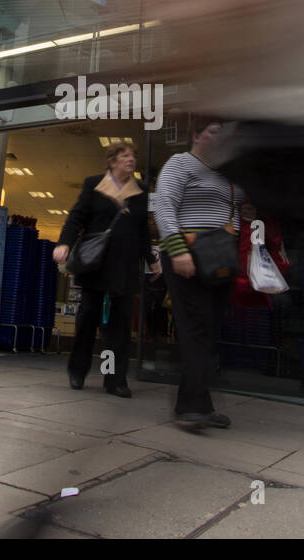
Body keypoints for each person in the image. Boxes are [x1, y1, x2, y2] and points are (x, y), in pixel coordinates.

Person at [153, 119, 244, 429]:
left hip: (218, 258)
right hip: (187, 253)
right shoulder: (181, 163)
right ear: (196, 135)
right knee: (196, 328)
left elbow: (240, 213)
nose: (221, 137)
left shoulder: (229, 175)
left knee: (209, 331)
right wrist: (177, 250)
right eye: (214, 130)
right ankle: (189, 407)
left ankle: (201, 405)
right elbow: (164, 206)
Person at [54, 142, 157, 397]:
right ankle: (78, 370)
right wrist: (64, 243)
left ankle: (115, 380)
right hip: (96, 263)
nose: (131, 159)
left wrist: (151, 259)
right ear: (112, 161)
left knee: (120, 327)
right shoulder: (94, 184)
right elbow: (76, 217)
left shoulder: (141, 190)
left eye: (133, 155)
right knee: (87, 319)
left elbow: (143, 230)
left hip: (126, 265)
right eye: (124, 155)